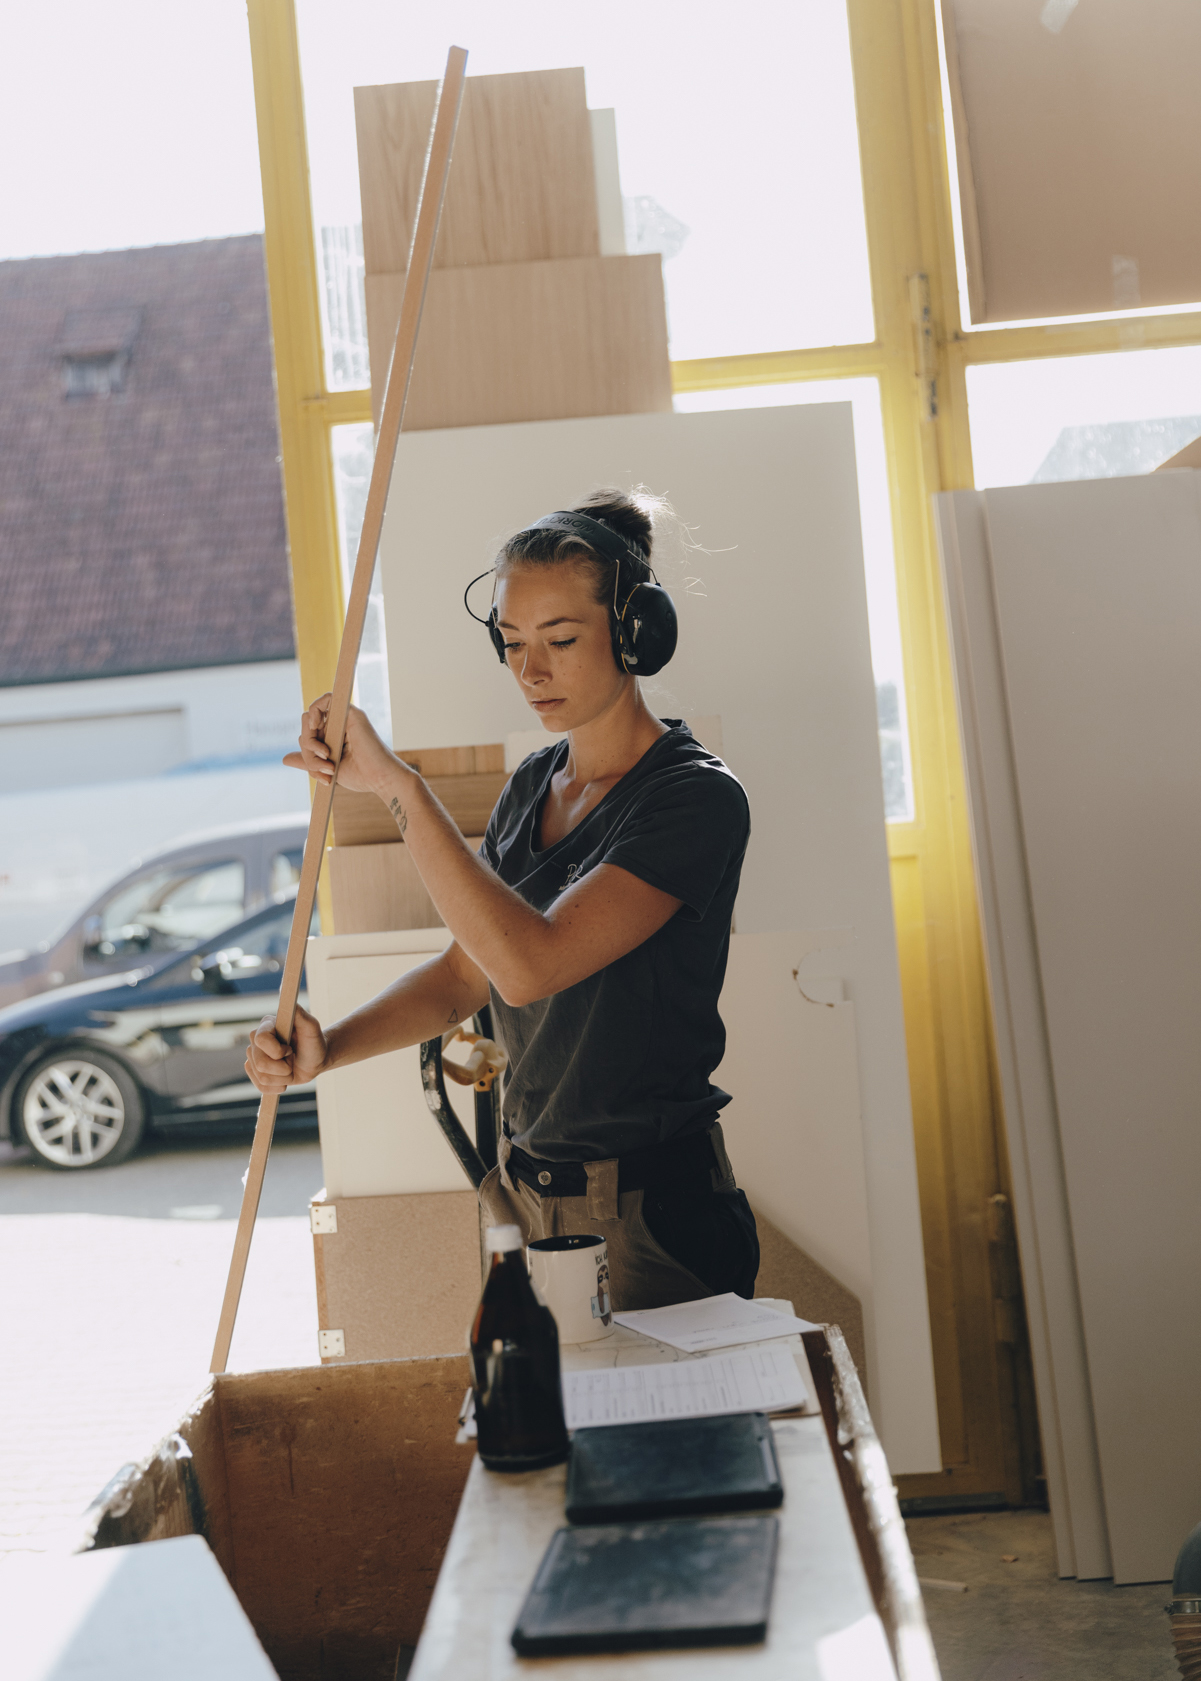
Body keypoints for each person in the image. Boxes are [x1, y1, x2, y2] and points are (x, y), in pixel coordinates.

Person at [245, 488, 758, 1310]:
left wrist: (398, 789)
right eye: (513, 642)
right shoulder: (532, 786)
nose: (530, 669)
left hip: (649, 1214)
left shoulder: (693, 799)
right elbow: (465, 974)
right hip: (527, 1194)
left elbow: (529, 965)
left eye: (559, 638)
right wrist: (328, 1050)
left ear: (633, 633)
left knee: (660, 1440)